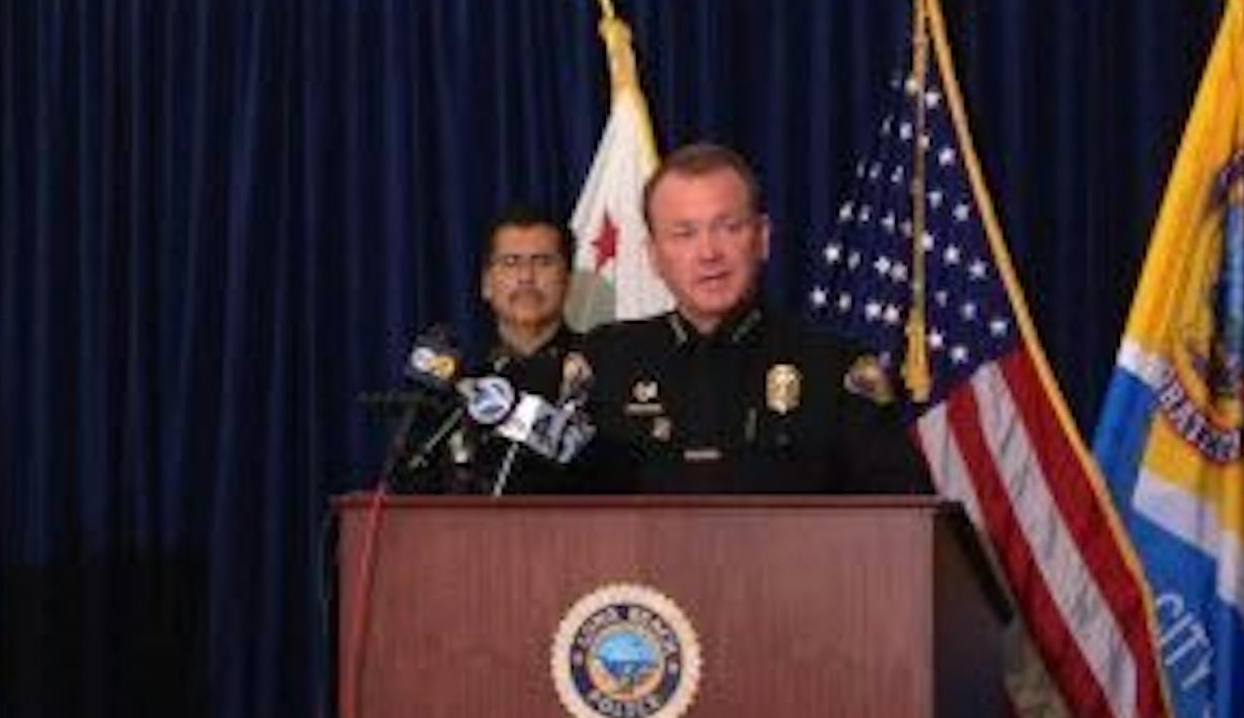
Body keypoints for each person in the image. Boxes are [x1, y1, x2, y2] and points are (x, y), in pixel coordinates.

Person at [572, 142, 933, 494]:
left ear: (762, 238)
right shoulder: (607, 361)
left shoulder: (834, 367)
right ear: (653, 255)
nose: (709, 252)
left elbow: (903, 514)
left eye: (729, 227)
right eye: (684, 234)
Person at [397, 203, 581, 494]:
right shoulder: (455, 382)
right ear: (486, 284)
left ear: (568, 280)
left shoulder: (598, 370)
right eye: (510, 262)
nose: (526, 277)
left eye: (543, 261)